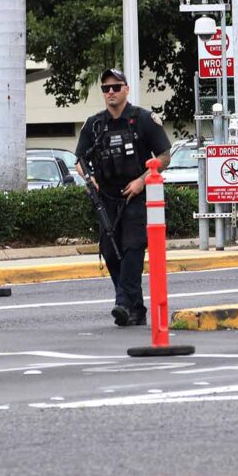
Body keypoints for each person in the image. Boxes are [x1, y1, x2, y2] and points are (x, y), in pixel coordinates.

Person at [75, 68, 172, 327]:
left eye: (116, 87)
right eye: (106, 88)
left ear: (126, 89)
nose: (111, 93)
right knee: (110, 251)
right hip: (106, 196)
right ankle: (135, 308)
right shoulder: (94, 124)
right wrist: (89, 177)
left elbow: (165, 155)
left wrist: (142, 181)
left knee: (132, 249)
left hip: (135, 195)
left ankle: (123, 303)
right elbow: (80, 160)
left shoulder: (143, 119)